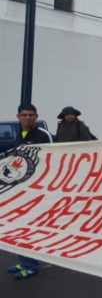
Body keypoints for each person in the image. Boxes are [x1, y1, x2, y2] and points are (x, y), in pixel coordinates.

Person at [5, 104, 52, 279]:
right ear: (18, 117)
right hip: (22, 187)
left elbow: (54, 158)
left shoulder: (43, 135)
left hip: (38, 189)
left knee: (30, 227)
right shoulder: (20, 134)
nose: (28, 118)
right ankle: (24, 261)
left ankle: (31, 265)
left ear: (36, 116)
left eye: (31, 115)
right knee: (18, 225)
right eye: (24, 115)